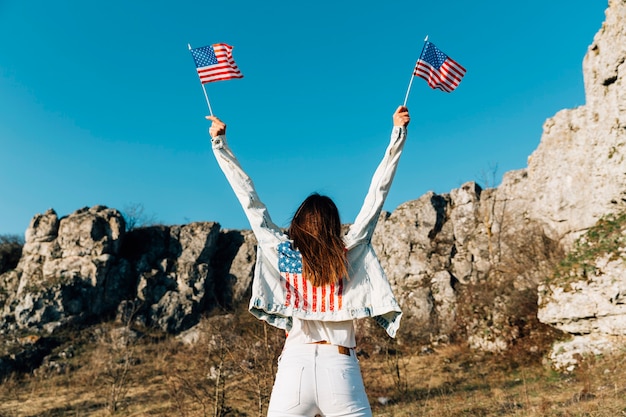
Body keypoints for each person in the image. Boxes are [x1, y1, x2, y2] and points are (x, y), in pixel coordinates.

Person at [207, 105, 410, 417]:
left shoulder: (282, 250)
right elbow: (377, 193)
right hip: (341, 365)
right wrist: (398, 133)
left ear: (298, 222)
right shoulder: (348, 249)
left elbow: (249, 199)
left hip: (295, 367)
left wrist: (220, 144)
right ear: (333, 223)